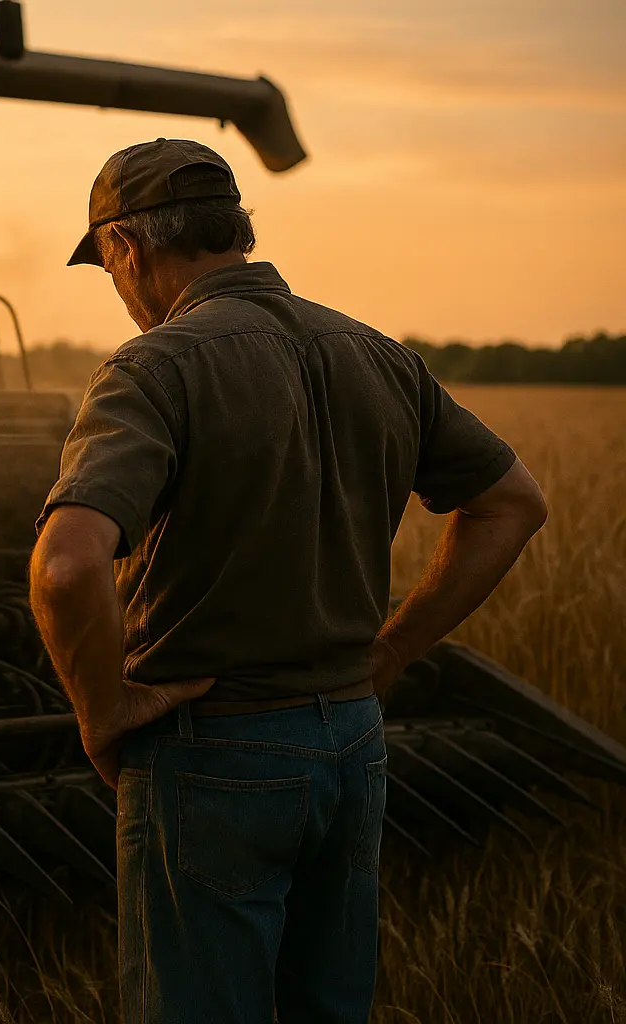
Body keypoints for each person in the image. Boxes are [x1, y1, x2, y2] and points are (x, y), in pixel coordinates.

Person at [27, 138, 548, 1023]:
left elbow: (67, 563)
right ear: (234, 230)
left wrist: (102, 712)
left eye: (108, 265)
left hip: (212, 752)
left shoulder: (151, 368)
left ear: (128, 247)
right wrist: (392, 652)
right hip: (354, 745)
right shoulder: (377, 353)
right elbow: (514, 503)